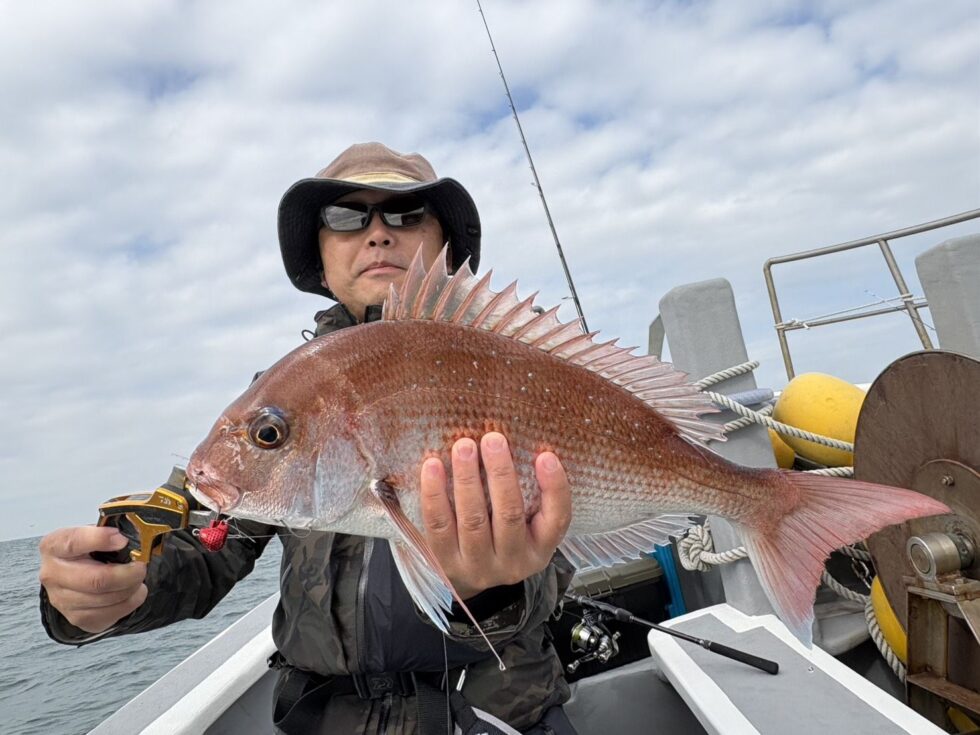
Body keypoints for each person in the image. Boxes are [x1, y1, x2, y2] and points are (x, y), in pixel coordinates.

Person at [39, 142, 579, 734]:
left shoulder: (521, 368)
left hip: (499, 715)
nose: (378, 233)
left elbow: (568, 543)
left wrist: (488, 593)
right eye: (346, 217)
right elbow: (211, 538)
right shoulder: (276, 403)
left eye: (405, 213)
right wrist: (112, 586)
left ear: (447, 253)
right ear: (319, 262)